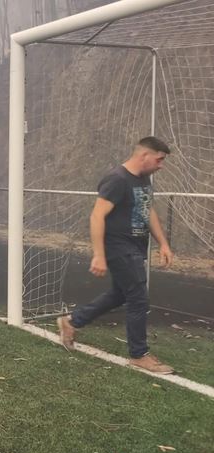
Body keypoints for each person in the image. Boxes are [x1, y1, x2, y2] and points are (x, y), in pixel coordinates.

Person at [57, 136, 175, 374]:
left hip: (135, 246)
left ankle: (71, 321)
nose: (161, 165)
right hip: (118, 247)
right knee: (138, 298)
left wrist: (163, 243)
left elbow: (147, 210)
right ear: (144, 156)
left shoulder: (143, 180)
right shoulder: (117, 179)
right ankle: (139, 354)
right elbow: (97, 216)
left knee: (120, 294)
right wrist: (99, 255)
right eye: (159, 160)